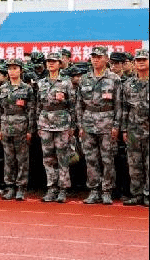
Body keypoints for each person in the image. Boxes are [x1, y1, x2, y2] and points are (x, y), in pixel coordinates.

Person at [76, 45, 121, 205]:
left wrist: (116, 126)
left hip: (107, 123)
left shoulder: (114, 79)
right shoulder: (84, 79)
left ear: (106, 59)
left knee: (107, 159)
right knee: (91, 159)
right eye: (93, 57)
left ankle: (107, 190)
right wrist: (80, 125)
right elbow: (79, 104)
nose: (95, 60)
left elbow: (118, 104)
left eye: (99, 57)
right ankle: (94, 190)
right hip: (88, 123)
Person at [36, 52, 75, 203]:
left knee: (62, 157)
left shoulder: (66, 82)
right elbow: (38, 105)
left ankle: (63, 189)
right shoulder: (41, 82)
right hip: (45, 123)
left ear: (59, 64)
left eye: (54, 61)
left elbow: (72, 105)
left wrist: (72, 126)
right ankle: (51, 188)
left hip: (62, 123)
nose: (51, 64)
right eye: (48, 61)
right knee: (48, 158)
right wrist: (38, 124)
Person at [0, 58, 35, 201]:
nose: (12, 71)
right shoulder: (3, 88)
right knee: (8, 159)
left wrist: (30, 130)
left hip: (21, 127)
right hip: (6, 127)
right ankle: (10, 186)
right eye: (10, 69)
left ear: (20, 70)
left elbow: (31, 110)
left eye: (15, 68)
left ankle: (21, 187)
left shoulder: (27, 88)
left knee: (22, 159)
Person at [121, 48, 149, 206]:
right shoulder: (128, 84)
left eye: (144, 59)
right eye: (138, 60)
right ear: (134, 63)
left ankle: (148, 195)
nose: (141, 62)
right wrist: (124, 129)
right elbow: (125, 108)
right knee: (134, 164)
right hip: (133, 130)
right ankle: (137, 194)